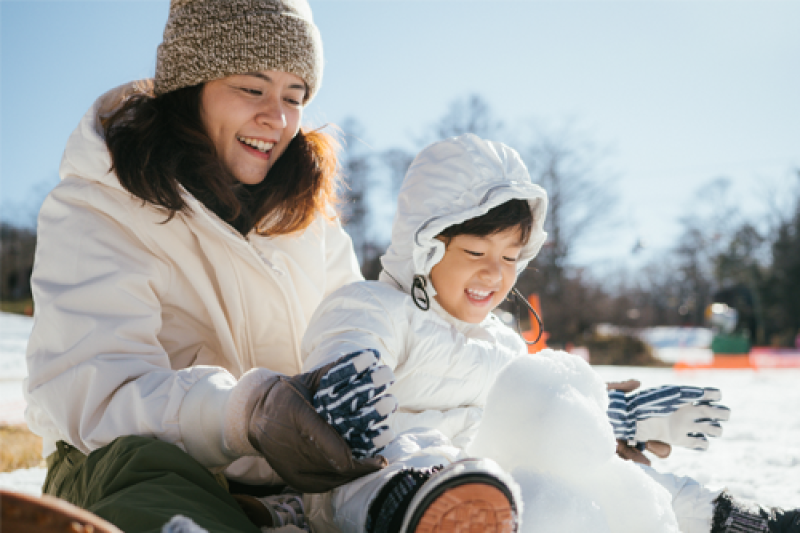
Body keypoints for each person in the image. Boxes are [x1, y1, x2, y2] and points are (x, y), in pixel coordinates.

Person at [298, 133, 800, 533]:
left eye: (511, 259)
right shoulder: (374, 304)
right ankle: (426, 509)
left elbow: (544, 413)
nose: (495, 275)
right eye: (476, 253)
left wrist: (616, 417)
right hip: (383, 478)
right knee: (409, 459)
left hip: (497, 487)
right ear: (426, 245)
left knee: (604, 477)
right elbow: (347, 345)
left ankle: (727, 519)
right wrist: (348, 377)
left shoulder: (504, 343)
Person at [19, 1, 392, 532]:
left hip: (294, 483)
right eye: (252, 88)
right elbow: (96, 400)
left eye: (295, 96)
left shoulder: (307, 219)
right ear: (191, 86)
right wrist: (245, 413)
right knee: (145, 483)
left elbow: (349, 324)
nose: (278, 119)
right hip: (134, 469)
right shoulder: (99, 205)